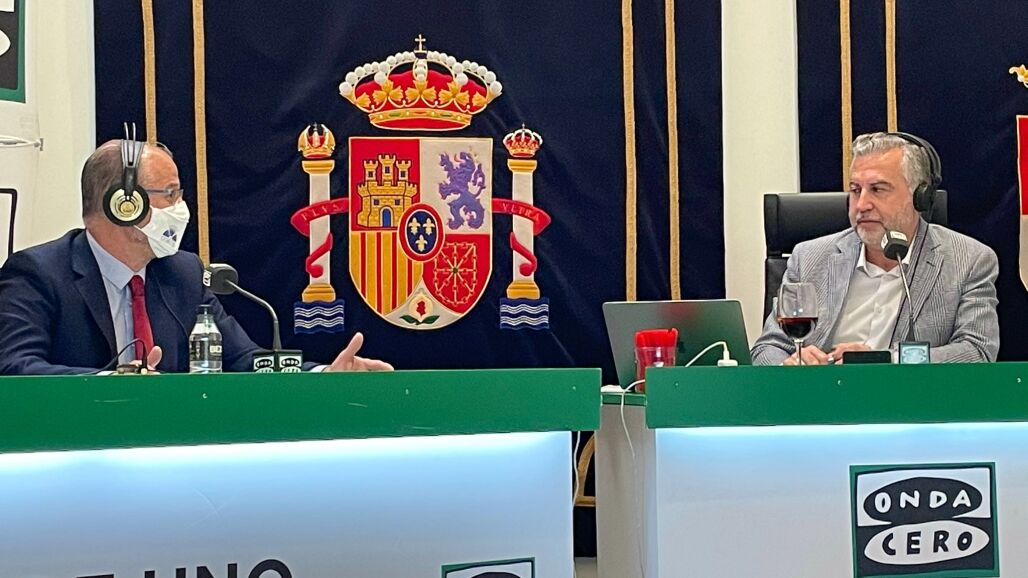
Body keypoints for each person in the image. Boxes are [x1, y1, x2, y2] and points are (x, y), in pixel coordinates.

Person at [0, 139, 392, 374]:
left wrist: (321, 374)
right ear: (124, 205)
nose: (180, 208)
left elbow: (244, 359)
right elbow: (14, 366)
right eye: (169, 194)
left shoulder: (183, 274)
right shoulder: (39, 273)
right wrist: (112, 382)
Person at [751, 132, 999, 365]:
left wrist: (885, 361)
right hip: (821, 394)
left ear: (920, 196)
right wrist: (790, 363)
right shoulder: (809, 258)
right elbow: (767, 348)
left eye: (878, 190)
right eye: (855, 190)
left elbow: (977, 351)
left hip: (907, 396)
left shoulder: (969, 260)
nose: (862, 205)